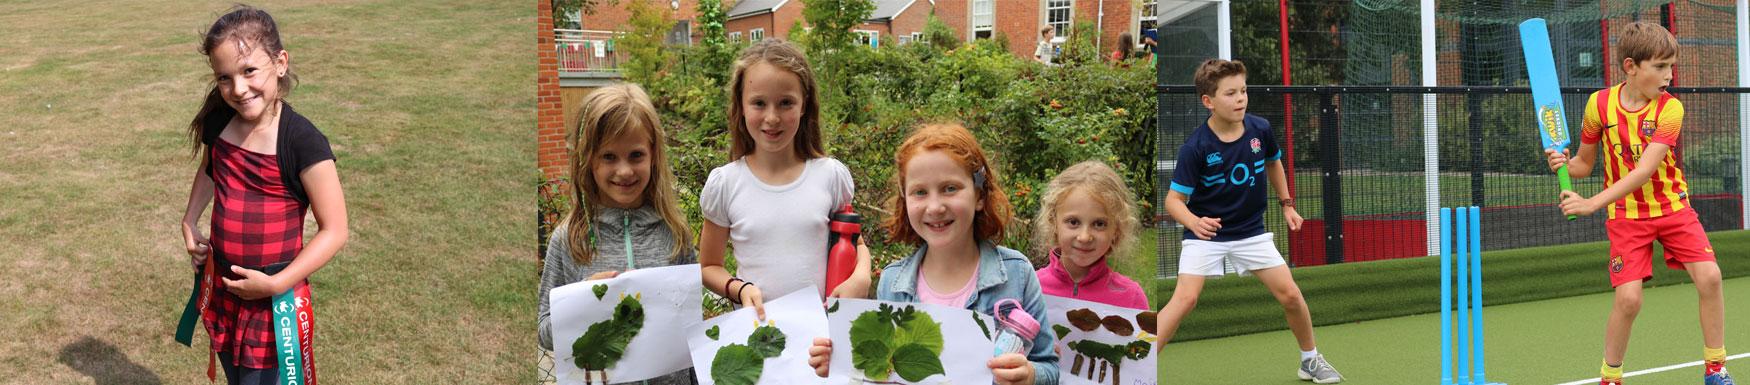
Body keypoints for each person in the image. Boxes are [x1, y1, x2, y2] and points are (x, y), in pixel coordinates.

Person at [1543, 21, 1732, 385]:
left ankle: (1715, 369)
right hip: (1628, 218)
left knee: (1710, 277)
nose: (1669, 75)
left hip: (1672, 208)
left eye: (1671, 66)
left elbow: (1645, 170)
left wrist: (1591, 204)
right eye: (1660, 67)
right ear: (1631, 67)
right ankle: (1610, 378)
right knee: (1629, 300)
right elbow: (1583, 164)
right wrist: (1563, 165)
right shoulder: (1599, 105)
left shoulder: (1670, 109)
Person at [180, 5, 347, 384]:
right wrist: (189, 219)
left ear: (280, 63)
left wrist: (276, 284)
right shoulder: (219, 120)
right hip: (223, 289)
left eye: (249, 71)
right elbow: (210, 170)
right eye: (224, 78)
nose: (237, 89)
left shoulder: (303, 142)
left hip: (273, 305)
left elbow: (335, 230)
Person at [1153, 59, 1343, 383]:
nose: (1240, 98)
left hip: (1251, 232)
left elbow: (1273, 163)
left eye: (1243, 90)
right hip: (1206, 236)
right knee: (1185, 298)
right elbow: (1173, 201)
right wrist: (1195, 222)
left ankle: (1310, 360)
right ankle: (1139, 365)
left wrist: (1287, 204)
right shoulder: (1195, 147)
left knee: (1291, 296)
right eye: (1230, 93)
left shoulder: (1260, 129)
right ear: (1208, 101)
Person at [699, 39, 873, 321]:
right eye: (758, 103)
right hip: (760, 338)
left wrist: (862, 276)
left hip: (823, 336)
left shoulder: (830, 176)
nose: (772, 117)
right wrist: (739, 289)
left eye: (785, 103)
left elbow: (855, 242)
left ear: (804, 105)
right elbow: (708, 266)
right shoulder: (725, 184)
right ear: (741, 107)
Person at [536, 83, 696, 384]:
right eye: (609, 157)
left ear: (653, 155)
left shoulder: (675, 232)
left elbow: (691, 327)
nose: (624, 171)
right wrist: (582, 300)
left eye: (636, 155)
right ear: (588, 160)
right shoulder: (569, 239)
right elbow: (544, 333)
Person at [1032, 160, 1150, 310]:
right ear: (1053, 222)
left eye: (1099, 224)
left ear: (1116, 230)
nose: (1084, 237)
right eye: (1073, 222)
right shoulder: (1031, 289)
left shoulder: (1132, 298)